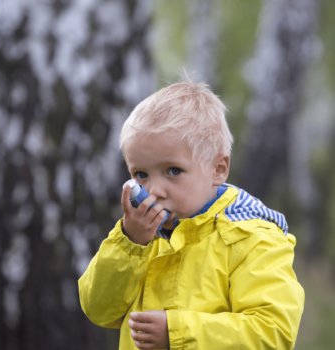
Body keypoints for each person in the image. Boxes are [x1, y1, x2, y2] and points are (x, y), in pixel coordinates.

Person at [78, 75, 305, 350]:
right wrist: (130, 243)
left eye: (173, 171)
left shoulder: (251, 237)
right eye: (141, 174)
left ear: (218, 169)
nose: (154, 190)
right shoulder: (140, 236)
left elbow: (273, 333)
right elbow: (98, 309)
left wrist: (177, 334)